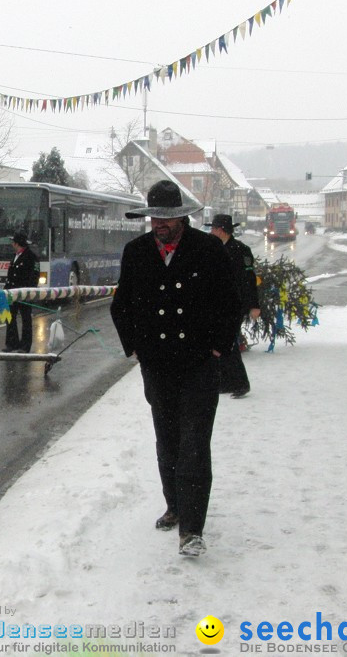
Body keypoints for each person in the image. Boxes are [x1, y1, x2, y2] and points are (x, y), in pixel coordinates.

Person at [110, 180, 240, 557]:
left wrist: (218, 347)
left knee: (195, 444)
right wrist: (134, 347)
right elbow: (122, 306)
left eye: (166, 218)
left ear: (182, 218)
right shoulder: (135, 252)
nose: (159, 225)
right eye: (154, 218)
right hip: (158, 366)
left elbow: (228, 303)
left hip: (199, 365)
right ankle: (175, 505)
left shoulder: (208, 249)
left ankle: (192, 529)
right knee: (167, 440)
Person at [205, 214, 261, 398]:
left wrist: (254, 305)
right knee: (221, 341)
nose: (211, 232)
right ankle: (228, 382)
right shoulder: (214, 249)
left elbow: (249, 280)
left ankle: (240, 383)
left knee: (228, 342)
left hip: (236, 304)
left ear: (221, 230)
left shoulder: (240, 250)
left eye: (213, 229)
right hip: (218, 304)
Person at [3, 232, 40, 353]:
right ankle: (12, 343)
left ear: (17, 244)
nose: (12, 244)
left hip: (24, 293)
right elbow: (11, 275)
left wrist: (29, 292)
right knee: (10, 318)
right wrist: (6, 290)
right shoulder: (15, 256)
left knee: (26, 320)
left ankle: (25, 346)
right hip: (12, 293)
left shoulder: (31, 257)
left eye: (13, 242)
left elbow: (34, 276)